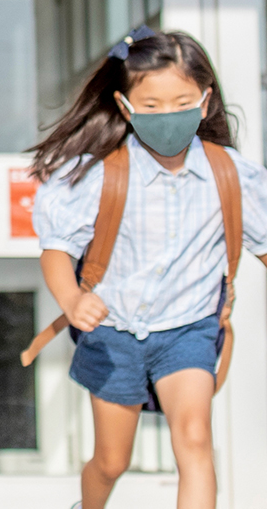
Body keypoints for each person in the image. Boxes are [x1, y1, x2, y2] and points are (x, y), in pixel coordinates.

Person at [29, 29, 267, 509]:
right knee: (112, 460)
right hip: (114, 334)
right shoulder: (100, 173)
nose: (167, 116)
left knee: (195, 439)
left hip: (189, 330)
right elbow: (56, 250)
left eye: (181, 102)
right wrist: (73, 301)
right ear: (124, 105)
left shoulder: (232, 174)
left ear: (205, 102)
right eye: (152, 105)